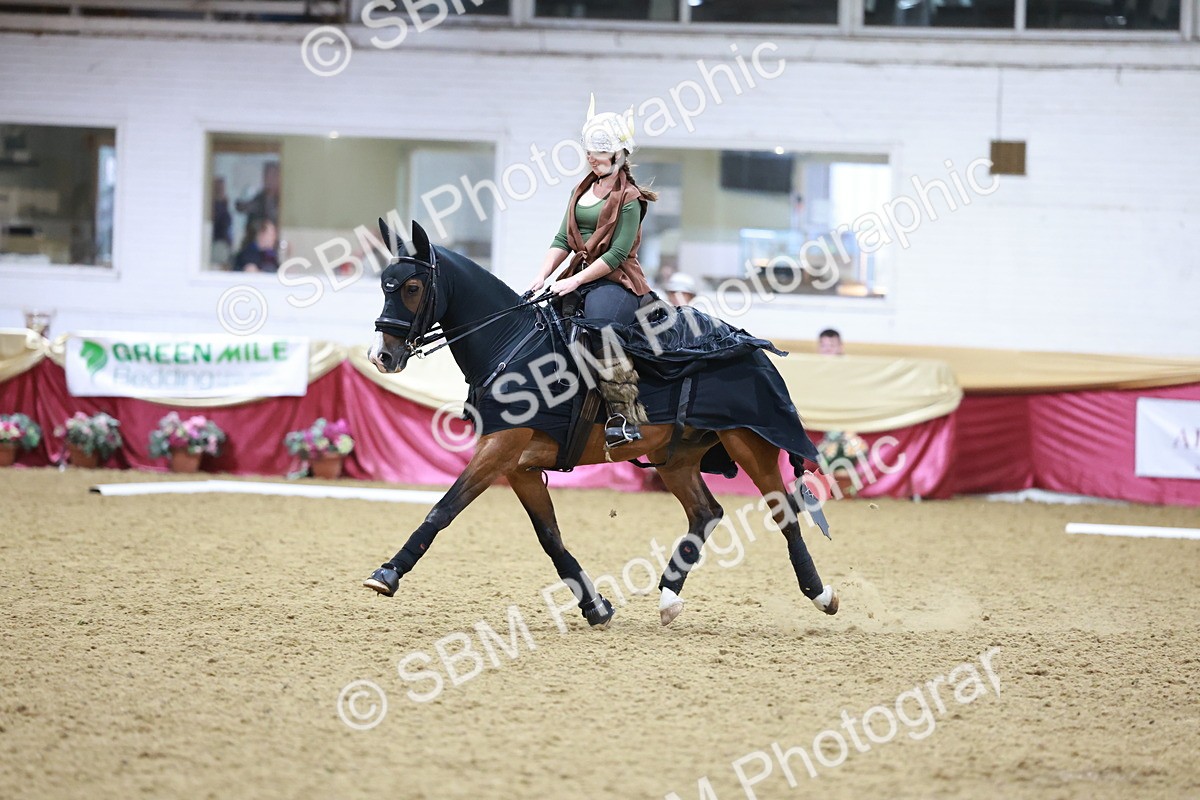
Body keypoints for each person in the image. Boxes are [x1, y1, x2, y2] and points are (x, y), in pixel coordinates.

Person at [528, 95, 657, 449]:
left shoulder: (630, 198)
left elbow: (616, 254)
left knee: (600, 328)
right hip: (578, 274)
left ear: (619, 155)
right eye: (589, 151)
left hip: (616, 281)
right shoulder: (580, 190)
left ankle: (623, 416)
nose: (591, 158)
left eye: (599, 152)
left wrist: (573, 280)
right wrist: (543, 276)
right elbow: (561, 238)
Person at [236, 161, 280, 228]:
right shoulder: (259, 198)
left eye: (273, 175)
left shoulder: (283, 199)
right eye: (266, 175)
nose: (269, 179)